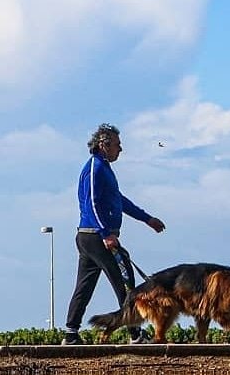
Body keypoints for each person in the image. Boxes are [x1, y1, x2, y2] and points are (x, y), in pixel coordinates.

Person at [62, 123, 166, 345]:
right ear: (104, 144)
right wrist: (105, 234)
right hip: (95, 236)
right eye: (117, 145)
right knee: (124, 278)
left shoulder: (105, 169)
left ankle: (71, 333)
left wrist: (147, 219)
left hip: (93, 237)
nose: (121, 149)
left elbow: (119, 201)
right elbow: (92, 204)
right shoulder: (94, 168)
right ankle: (135, 333)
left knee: (85, 285)